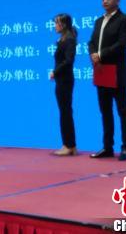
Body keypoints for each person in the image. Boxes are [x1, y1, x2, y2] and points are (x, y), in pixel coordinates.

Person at [88, 0, 126, 161]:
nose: (104, 1)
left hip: (116, 72)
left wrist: (101, 54)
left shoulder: (124, 19)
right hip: (101, 71)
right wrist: (93, 53)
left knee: (122, 111)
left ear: (117, 0)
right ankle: (107, 147)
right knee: (105, 111)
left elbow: (122, 44)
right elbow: (92, 42)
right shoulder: (99, 21)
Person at [50, 14, 78, 156]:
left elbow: (68, 61)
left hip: (65, 80)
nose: (55, 26)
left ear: (64, 24)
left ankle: (69, 145)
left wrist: (55, 72)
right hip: (61, 80)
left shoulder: (69, 40)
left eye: (57, 23)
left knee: (65, 112)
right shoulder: (62, 40)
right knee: (64, 111)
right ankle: (69, 144)